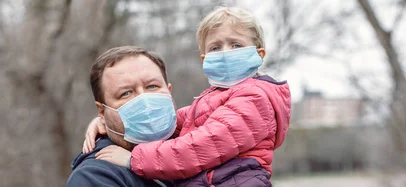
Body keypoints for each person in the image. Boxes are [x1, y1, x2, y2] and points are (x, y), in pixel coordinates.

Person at [85, 7, 291, 186]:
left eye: (236, 45)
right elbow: (174, 122)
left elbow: (197, 148)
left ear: (259, 54)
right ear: (204, 58)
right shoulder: (216, 97)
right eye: (215, 47)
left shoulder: (254, 99)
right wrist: (111, 121)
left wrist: (133, 160)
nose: (225, 52)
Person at [66, 46, 175, 187]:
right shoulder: (95, 177)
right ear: (102, 111)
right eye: (126, 93)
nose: (145, 101)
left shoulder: (197, 143)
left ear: (169, 91)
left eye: (152, 86)